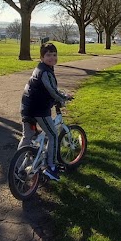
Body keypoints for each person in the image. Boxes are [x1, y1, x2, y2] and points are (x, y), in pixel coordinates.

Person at [18, 42, 72, 182]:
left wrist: (58, 95)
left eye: (54, 55)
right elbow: (53, 91)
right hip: (39, 109)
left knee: (28, 137)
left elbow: (48, 89)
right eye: (48, 55)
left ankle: (19, 167)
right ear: (41, 57)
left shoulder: (41, 69)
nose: (52, 57)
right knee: (53, 134)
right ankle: (51, 167)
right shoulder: (46, 72)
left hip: (27, 106)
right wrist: (63, 98)